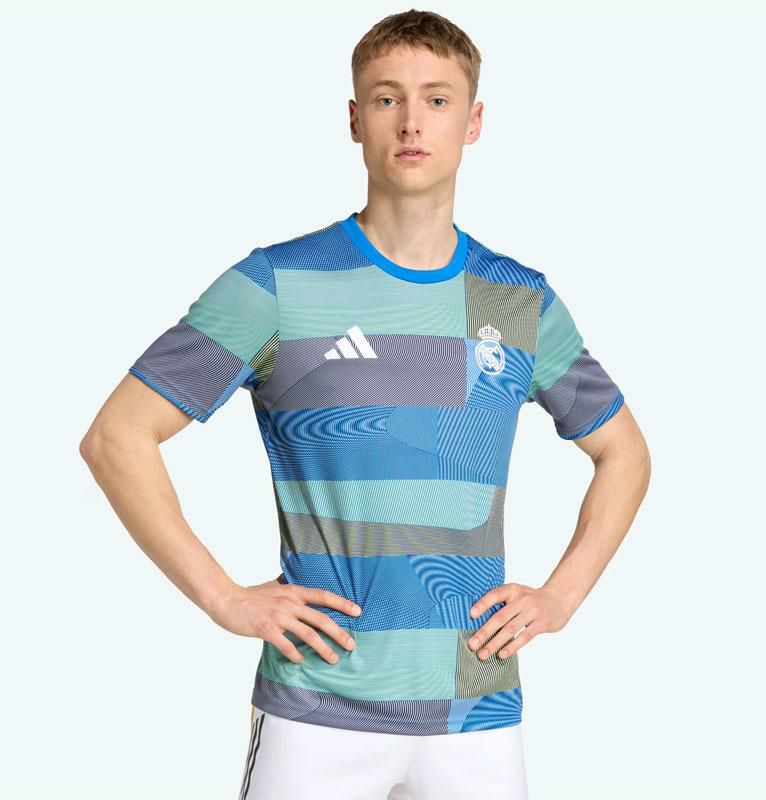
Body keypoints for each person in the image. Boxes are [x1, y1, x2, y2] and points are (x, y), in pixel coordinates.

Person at [80, 9, 651, 800]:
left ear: (473, 122)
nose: (412, 121)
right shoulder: (277, 284)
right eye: (387, 99)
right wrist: (222, 597)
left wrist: (561, 596)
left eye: (437, 99)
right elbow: (117, 436)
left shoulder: (519, 300)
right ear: (355, 119)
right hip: (318, 709)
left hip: (475, 712)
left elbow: (624, 452)